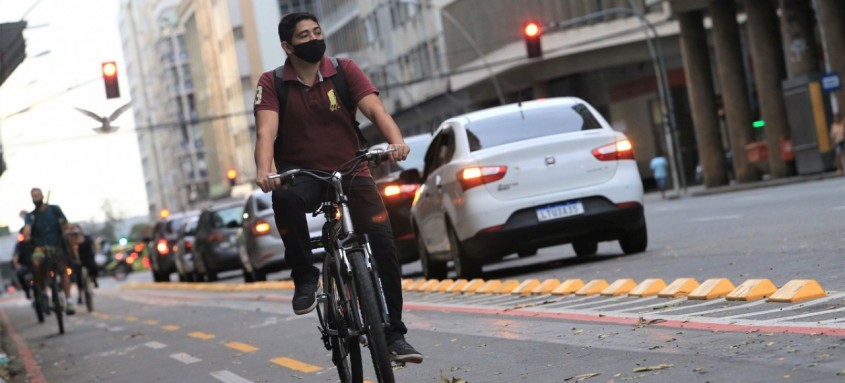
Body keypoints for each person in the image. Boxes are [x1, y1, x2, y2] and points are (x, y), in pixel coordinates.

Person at [253, 12, 421, 363]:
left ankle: (394, 335)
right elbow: (266, 132)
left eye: (317, 31)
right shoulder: (272, 83)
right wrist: (264, 171)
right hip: (304, 176)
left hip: (352, 170)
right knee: (283, 199)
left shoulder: (344, 71)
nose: (314, 38)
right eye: (304, 35)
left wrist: (396, 143)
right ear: (287, 46)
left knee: (384, 245)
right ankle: (305, 275)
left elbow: (376, 111)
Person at [23, 188, 75, 315]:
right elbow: (27, 230)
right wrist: (27, 234)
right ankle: (43, 293)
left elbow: (65, 225)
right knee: (36, 265)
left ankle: (68, 301)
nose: (36, 198)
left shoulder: (54, 210)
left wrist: (66, 231)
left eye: (37, 195)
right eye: (33, 196)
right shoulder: (30, 216)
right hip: (40, 248)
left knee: (64, 271)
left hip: (57, 246)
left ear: (42, 196)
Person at [66, 224, 99, 303]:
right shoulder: (71, 241)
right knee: (78, 277)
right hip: (78, 261)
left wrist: (96, 249)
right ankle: (80, 294)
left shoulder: (87, 237)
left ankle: (93, 279)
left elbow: (94, 243)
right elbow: (73, 252)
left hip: (88, 258)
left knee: (94, 267)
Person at [12, 228, 34, 299]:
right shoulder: (19, 245)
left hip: (36, 265)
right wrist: (16, 264)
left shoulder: (34, 242)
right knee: (19, 274)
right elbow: (15, 256)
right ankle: (27, 291)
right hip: (25, 266)